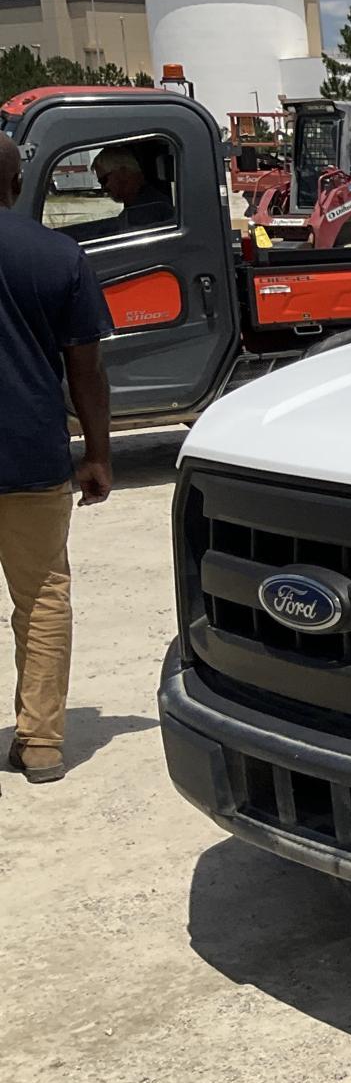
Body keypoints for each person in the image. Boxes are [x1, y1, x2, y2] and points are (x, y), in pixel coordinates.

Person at [0, 132, 114, 787]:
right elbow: (86, 372)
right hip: (34, 457)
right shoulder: (57, 255)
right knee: (42, 599)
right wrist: (97, 454)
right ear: (15, 185)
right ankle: (40, 743)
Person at [90, 146, 174, 231]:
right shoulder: (145, 203)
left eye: (103, 180)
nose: (103, 188)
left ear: (123, 172)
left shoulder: (147, 211)